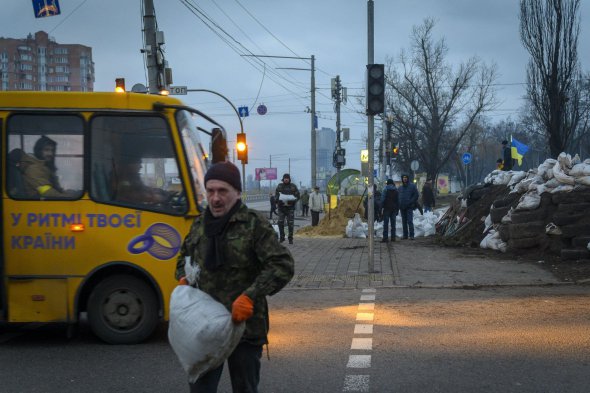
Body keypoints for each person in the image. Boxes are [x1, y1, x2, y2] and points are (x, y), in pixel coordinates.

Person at [175, 161, 294, 393]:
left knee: (245, 389)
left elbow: (282, 264)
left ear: (237, 192)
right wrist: (183, 279)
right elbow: (183, 259)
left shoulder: (253, 224)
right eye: (210, 191)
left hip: (245, 328)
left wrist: (250, 296)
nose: (216, 198)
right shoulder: (200, 225)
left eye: (222, 191)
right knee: (200, 389)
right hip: (205, 327)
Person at [275, 173, 300, 244]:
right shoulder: (280, 186)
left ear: (289, 179)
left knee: (290, 224)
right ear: (283, 179)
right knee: (280, 222)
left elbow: (298, 196)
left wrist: (293, 200)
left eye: (287, 178)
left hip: (290, 208)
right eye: (285, 178)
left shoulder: (293, 186)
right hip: (281, 208)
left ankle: (290, 238)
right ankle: (282, 237)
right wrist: (277, 200)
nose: (286, 179)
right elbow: (276, 195)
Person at [398, 174, 419, 240]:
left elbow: (416, 195)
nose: (404, 178)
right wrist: (399, 204)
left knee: (410, 221)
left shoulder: (412, 186)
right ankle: (405, 235)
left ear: (408, 178)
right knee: (404, 221)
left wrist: (411, 201)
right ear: (402, 179)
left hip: (409, 206)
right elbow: (398, 197)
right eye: (403, 177)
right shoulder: (400, 188)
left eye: (406, 177)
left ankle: (411, 235)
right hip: (402, 207)